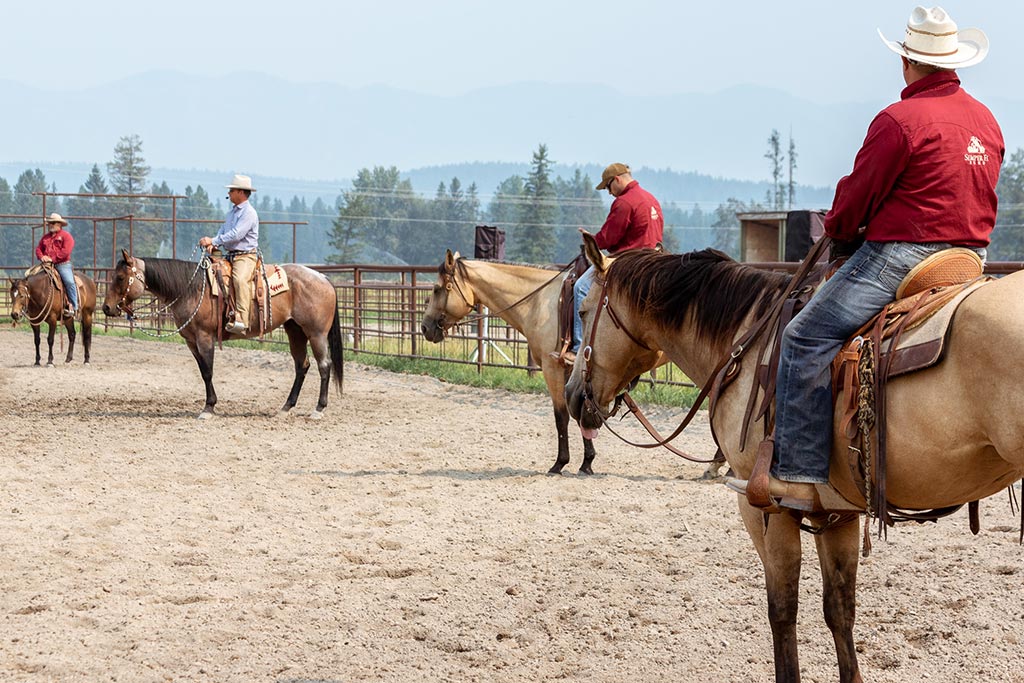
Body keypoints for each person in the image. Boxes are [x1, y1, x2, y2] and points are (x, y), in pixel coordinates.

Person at [727, 6, 1004, 511]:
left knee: (804, 336)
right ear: (954, 61)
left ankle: (799, 474)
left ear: (907, 62)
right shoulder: (986, 120)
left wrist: (837, 228)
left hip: (903, 256)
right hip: (971, 257)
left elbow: (858, 199)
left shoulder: (899, 121)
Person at [556, 163, 664, 364]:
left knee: (581, 288)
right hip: (653, 260)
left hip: (628, 261)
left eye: (608, 186)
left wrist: (591, 241)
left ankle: (579, 349)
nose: (609, 192)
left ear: (617, 179)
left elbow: (609, 238)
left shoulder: (624, 202)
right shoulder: (651, 199)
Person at [199, 174, 260, 334]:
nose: (229, 193)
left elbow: (236, 234)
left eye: (232, 190)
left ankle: (242, 319)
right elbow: (224, 230)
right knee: (212, 274)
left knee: (239, 279)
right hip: (231, 255)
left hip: (245, 256)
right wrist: (214, 243)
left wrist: (213, 240)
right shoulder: (232, 213)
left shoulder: (249, 213)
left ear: (241, 192)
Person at [36, 213, 79, 317]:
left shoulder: (66, 236)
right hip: (46, 265)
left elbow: (66, 251)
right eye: (50, 223)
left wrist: (52, 259)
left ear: (59, 224)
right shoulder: (45, 238)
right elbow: (38, 249)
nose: (50, 225)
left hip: (62, 264)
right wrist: (42, 257)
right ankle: (34, 307)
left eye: (53, 223)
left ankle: (74, 306)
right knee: (32, 278)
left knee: (69, 282)